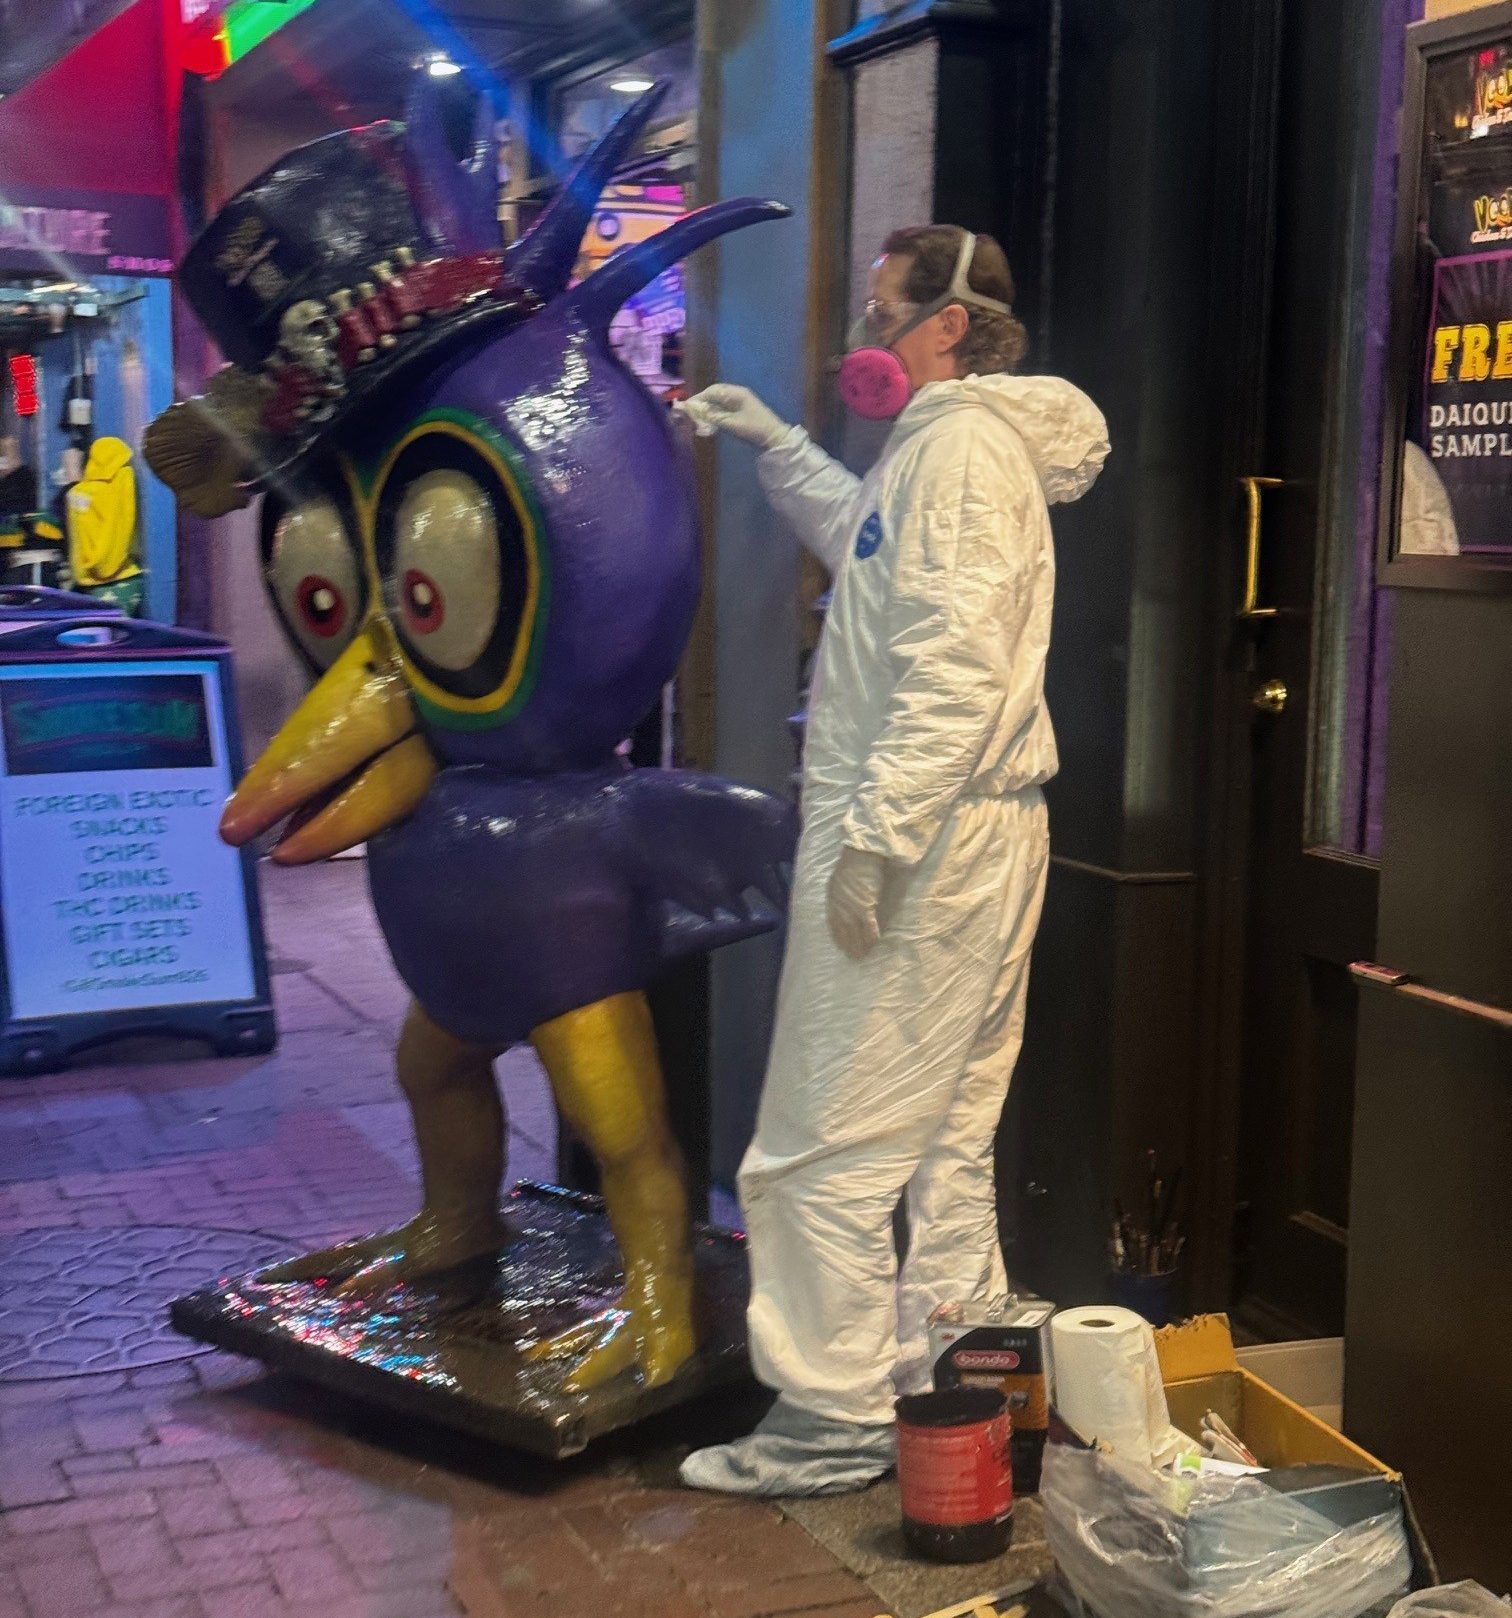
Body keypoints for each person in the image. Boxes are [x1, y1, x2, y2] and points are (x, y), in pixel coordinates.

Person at [675, 225, 1109, 1495]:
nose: (859, 339)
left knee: (818, 1140)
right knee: (938, 1128)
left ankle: (830, 1410)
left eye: (881, 313)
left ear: (950, 324)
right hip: (965, 829)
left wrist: (876, 837)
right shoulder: (940, 448)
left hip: (926, 833)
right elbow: (876, 553)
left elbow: (955, 664)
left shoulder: (964, 452)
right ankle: (950, 1349)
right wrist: (779, 446)